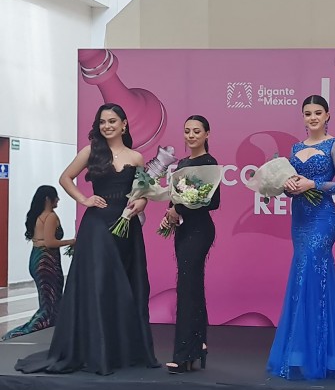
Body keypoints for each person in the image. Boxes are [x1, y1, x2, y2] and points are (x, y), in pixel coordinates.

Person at [15, 103, 159, 375]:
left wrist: (141, 203)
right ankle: (96, 352)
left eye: (112, 121)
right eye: (102, 122)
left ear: (124, 124)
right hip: (97, 227)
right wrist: (84, 199)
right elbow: (65, 178)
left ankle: (121, 351)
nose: (107, 126)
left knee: (126, 288)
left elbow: (142, 193)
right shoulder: (91, 151)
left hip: (126, 228)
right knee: (99, 287)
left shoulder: (137, 157)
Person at [266, 94, 335, 380]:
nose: (312, 117)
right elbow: (291, 186)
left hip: (323, 219)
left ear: (327, 115)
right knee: (303, 277)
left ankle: (320, 354)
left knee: (311, 274)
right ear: (303, 117)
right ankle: (302, 353)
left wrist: (311, 183)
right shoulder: (296, 148)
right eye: (308, 113)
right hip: (299, 219)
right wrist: (287, 186)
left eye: (317, 113)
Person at [160, 115, 220, 373]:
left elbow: (213, 202)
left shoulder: (209, 163)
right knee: (191, 286)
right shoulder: (183, 163)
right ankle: (199, 343)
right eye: (187, 131)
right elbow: (175, 197)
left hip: (200, 230)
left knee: (187, 287)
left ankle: (184, 354)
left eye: (197, 131)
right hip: (183, 230)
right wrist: (170, 214)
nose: (191, 135)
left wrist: (180, 207)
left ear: (207, 134)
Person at [2, 186, 75, 341]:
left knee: (47, 300)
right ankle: (31, 330)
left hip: (37, 258)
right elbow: (50, 242)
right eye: (56, 197)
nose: (58, 200)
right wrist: (73, 241)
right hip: (47, 261)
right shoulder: (50, 217)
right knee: (51, 302)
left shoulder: (38, 215)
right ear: (48, 199)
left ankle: (51, 328)